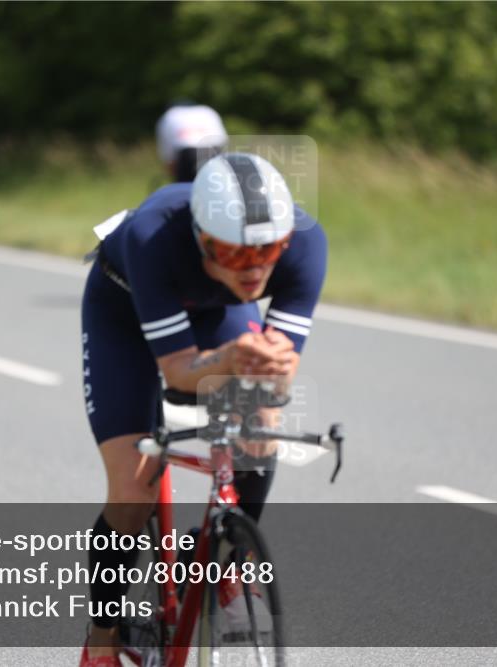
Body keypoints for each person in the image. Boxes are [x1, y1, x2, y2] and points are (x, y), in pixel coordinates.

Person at [79, 152, 327, 665]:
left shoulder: (303, 245)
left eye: (268, 252)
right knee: (132, 488)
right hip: (123, 310)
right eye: (236, 256)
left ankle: (227, 560)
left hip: (216, 308)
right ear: (202, 239)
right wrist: (232, 358)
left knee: (260, 414)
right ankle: (102, 640)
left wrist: (269, 366)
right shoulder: (154, 236)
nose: (256, 269)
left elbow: (280, 374)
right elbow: (178, 372)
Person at [155, 102, 228, 182]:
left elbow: (168, 156)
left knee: (185, 188)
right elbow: (223, 141)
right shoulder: (207, 111)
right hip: (213, 150)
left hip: (187, 154)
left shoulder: (169, 115)